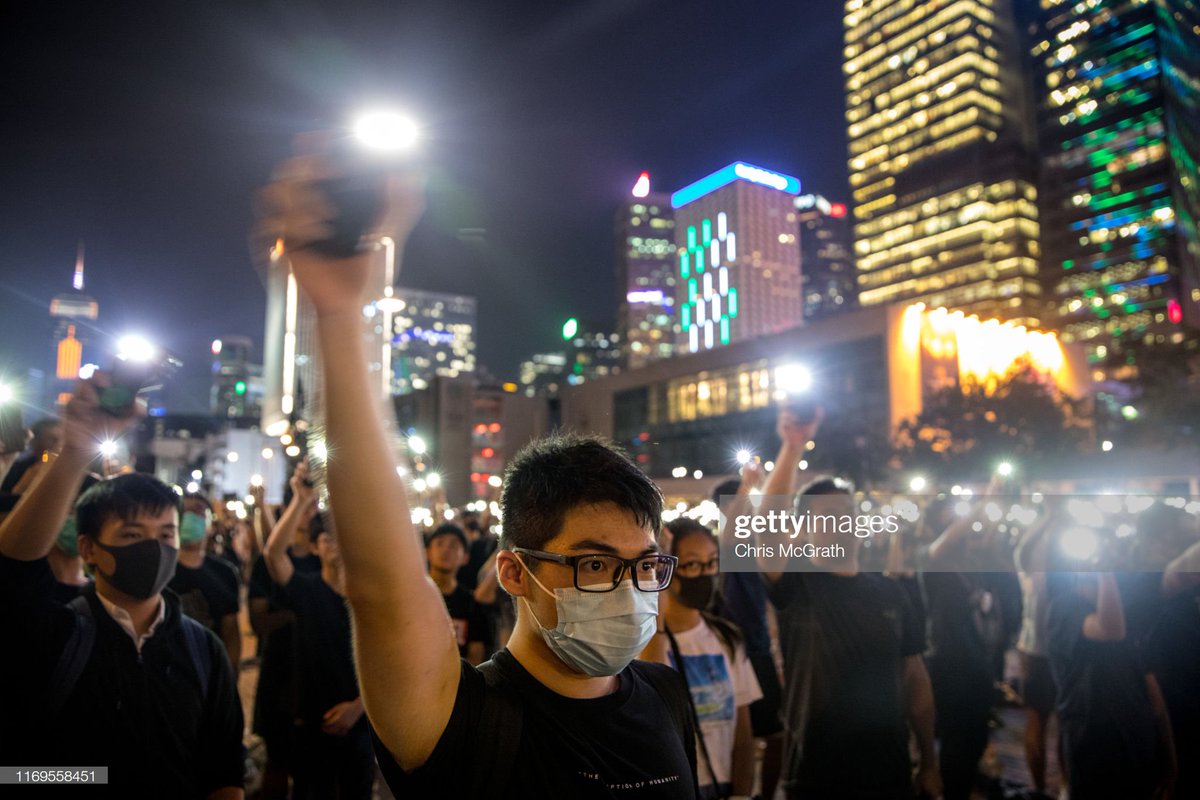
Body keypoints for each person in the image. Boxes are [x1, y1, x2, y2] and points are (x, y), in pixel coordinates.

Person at [260, 152, 699, 798]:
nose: (632, 592)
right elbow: (382, 587)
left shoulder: (663, 691)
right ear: (513, 570)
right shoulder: (457, 716)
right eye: (596, 564)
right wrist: (340, 318)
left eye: (646, 566)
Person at [0, 377, 244, 799]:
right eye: (132, 535)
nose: (154, 548)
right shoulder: (54, 632)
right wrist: (97, 777)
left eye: (166, 535)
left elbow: (223, 772)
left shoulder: (204, 650)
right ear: (89, 548)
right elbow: (18, 772)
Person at [761, 476, 940, 800]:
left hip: (889, 772)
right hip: (814, 777)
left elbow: (915, 677)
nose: (841, 523)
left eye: (848, 513)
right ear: (803, 529)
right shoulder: (796, 584)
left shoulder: (891, 592)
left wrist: (928, 761)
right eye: (827, 515)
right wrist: (792, 446)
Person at [262, 462, 373, 800]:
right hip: (310, 721)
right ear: (315, 547)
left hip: (361, 721)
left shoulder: (369, 599)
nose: (336, 544)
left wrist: (358, 707)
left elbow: (388, 665)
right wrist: (301, 498)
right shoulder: (305, 588)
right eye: (327, 538)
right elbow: (273, 553)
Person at [643, 518, 761, 800]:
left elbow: (744, 736)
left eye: (712, 563)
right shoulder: (648, 640)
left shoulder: (726, 639)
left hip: (724, 788)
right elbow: (651, 694)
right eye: (692, 564)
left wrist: (742, 794)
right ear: (668, 569)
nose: (705, 574)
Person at [1047, 570, 1176, 800]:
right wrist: (1105, 572)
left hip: (1137, 741)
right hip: (1091, 740)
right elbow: (1110, 630)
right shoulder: (1064, 608)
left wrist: (1169, 757)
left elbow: (1153, 694)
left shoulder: (1129, 612)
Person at [248, 480, 323, 799]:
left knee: (319, 772)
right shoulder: (268, 567)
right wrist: (299, 616)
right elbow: (258, 621)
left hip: (321, 679)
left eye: (312, 504)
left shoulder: (327, 563)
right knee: (277, 764)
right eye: (300, 504)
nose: (308, 510)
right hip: (280, 674)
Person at [171, 492, 243, 672]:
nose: (189, 517)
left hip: (210, 670)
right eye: (184, 511)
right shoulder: (160, 569)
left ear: (210, 524)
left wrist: (231, 678)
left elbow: (231, 632)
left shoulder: (225, 572)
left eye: (198, 511)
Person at [427, 522, 487, 666]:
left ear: (465, 557)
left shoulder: (471, 603)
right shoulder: (412, 598)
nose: (446, 549)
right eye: (440, 543)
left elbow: (476, 654)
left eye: (454, 546)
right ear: (427, 551)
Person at [0, 416, 63, 494]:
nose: (59, 444)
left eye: (63, 440)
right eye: (53, 439)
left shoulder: (67, 474)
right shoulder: (13, 470)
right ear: (35, 442)